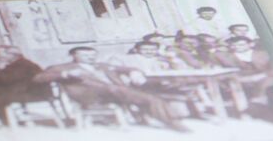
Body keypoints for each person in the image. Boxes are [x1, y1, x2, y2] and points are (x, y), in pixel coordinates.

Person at [37, 46, 189, 131]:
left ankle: (173, 122)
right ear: (73, 55)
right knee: (120, 90)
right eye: (84, 55)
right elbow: (39, 78)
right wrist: (66, 74)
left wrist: (134, 72)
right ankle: (165, 118)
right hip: (90, 94)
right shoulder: (62, 67)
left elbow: (126, 67)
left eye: (92, 55)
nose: (89, 57)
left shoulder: (102, 65)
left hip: (116, 92)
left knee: (150, 95)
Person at [0, 45, 46, 122]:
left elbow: (6, 79)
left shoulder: (23, 64)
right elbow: (4, 77)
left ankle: (5, 121)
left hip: (33, 94)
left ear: (12, 55)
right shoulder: (17, 64)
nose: (0, 57)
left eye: (0, 55)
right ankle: (5, 121)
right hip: (26, 91)